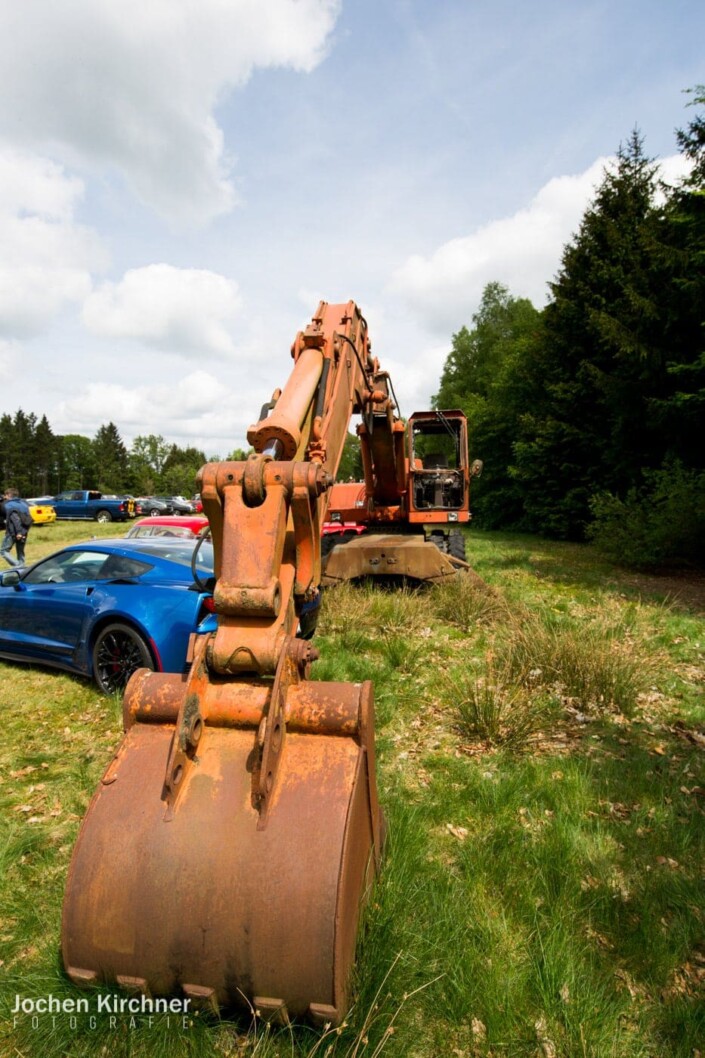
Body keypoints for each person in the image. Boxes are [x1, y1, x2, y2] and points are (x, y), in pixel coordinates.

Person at [1, 487, 31, 567]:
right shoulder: (24, 504)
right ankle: (22, 571)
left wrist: (19, 532)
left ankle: (19, 566)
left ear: (9, 495)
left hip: (13, 532)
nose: (5, 497)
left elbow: (15, 519)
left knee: (3, 551)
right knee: (20, 552)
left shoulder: (9, 505)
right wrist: (23, 532)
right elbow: (28, 518)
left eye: (6, 495)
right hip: (24, 531)